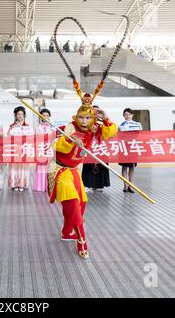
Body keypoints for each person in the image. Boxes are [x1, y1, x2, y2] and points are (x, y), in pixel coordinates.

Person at [48, 93, 117, 258]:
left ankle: (66, 232)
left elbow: (110, 133)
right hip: (59, 170)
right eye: (81, 117)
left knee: (80, 205)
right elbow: (55, 146)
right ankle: (82, 241)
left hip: (74, 171)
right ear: (76, 117)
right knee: (72, 203)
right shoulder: (70, 127)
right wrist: (71, 140)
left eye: (87, 118)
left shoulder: (94, 128)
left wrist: (105, 117)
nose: (84, 121)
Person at [81, 105, 110, 192]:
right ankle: (87, 184)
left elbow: (108, 133)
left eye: (96, 112)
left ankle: (98, 185)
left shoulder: (103, 123)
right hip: (90, 147)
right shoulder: (85, 123)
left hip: (100, 147)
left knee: (101, 166)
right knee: (88, 166)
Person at [8, 106, 33, 191]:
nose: (20, 116)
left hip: (24, 149)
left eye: (22, 114)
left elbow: (31, 138)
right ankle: (14, 184)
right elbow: (8, 138)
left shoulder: (28, 126)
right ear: (15, 115)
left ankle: (22, 184)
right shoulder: (12, 126)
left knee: (24, 167)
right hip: (15, 149)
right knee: (14, 167)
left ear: (24, 115)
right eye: (18, 114)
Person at [118, 108, 142, 193]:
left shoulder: (137, 125)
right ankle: (125, 185)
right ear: (123, 116)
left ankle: (131, 186)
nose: (127, 116)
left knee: (132, 167)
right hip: (124, 148)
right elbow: (118, 136)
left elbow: (139, 135)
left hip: (132, 148)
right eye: (125, 114)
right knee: (124, 167)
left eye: (129, 114)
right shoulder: (121, 125)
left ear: (132, 115)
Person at [33, 108, 54, 192]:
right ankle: (40, 186)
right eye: (43, 115)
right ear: (40, 116)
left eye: (47, 115)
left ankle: (50, 186)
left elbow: (55, 139)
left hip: (50, 150)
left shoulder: (53, 127)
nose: (45, 117)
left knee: (50, 168)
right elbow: (34, 139)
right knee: (41, 168)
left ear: (49, 116)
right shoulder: (37, 128)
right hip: (41, 149)